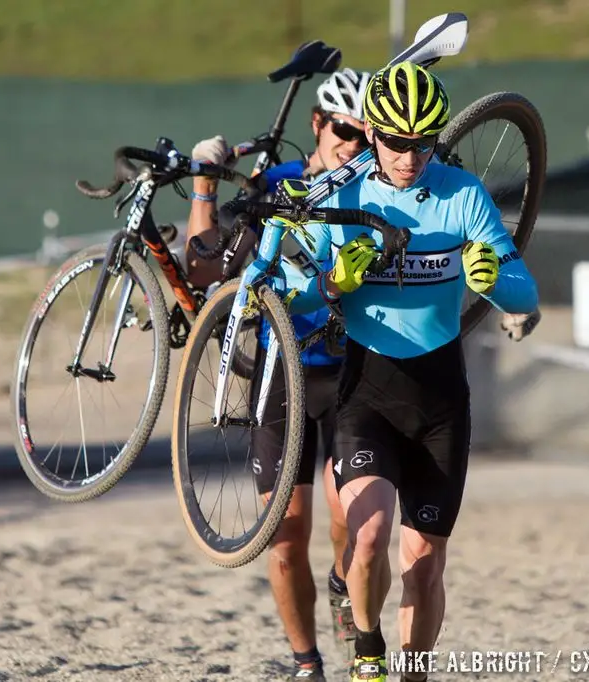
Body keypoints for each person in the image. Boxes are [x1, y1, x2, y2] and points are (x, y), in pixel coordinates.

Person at [277, 62, 541, 682]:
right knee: (366, 540)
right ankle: (366, 647)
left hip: (441, 399)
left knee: (424, 563)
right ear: (373, 135)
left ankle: (413, 674)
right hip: (366, 392)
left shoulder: (463, 194)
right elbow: (290, 294)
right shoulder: (343, 195)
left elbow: (527, 294)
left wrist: (495, 280)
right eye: (396, 141)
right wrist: (331, 282)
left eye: (423, 142)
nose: (409, 156)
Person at [183, 68, 374, 681]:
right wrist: (204, 188)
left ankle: (347, 587)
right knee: (285, 539)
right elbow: (206, 268)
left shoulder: (375, 183)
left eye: (369, 137)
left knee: (354, 524)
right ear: (317, 124)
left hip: (353, 373)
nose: (356, 144)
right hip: (281, 376)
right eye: (346, 130)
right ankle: (306, 663)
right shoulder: (278, 184)